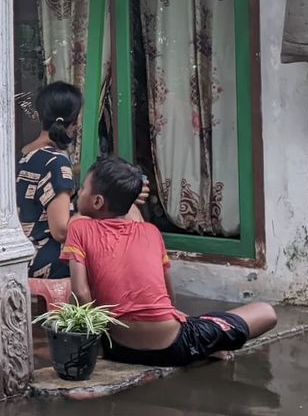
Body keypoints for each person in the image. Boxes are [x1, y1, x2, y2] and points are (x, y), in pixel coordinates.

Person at [61, 155, 277, 367]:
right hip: (173, 347)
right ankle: (209, 342)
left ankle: (205, 336)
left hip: (118, 348)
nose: (78, 194)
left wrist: (84, 342)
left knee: (195, 322)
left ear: (97, 201)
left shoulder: (79, 229)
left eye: (82, 189)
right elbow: (169, 296)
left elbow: (81, 294)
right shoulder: (151, 232)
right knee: (266, 312)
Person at [17, 81, 83, 279]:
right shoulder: (57, 161)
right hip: (45, 260)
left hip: (20, 255)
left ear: (38, 115)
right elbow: (61, 230)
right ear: (74, 123)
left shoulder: (23, 154)